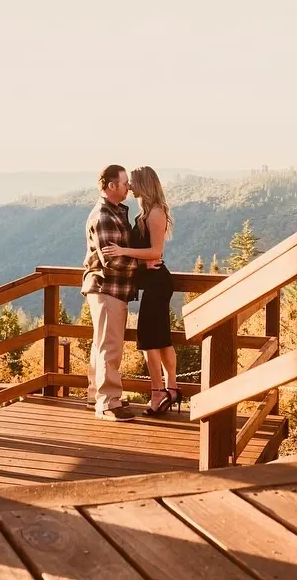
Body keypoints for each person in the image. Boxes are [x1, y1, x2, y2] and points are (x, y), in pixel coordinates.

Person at [102, 166, 181, 415]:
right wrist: (139, 260)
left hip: (158, 283)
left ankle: (158, 394)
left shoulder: (155, 213)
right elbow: (148, 253)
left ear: (144, 184)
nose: (130, 186)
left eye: (133, 182)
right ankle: (173, 388)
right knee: (161, 338)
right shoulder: (147, 211)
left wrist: (124, 251)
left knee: (148, 341)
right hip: (154, 282)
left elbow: (156, 252)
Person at [81, 164, 137, 421]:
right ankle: (108, 403)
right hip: (108, 288)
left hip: (107, 289)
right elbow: (112, 261)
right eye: (125, 183)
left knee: (102, 343)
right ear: (112, 185)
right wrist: (145, 263)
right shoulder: (104, 216)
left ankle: (97, 394)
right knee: (110, 346)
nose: (129, 187)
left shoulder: (112, 212)